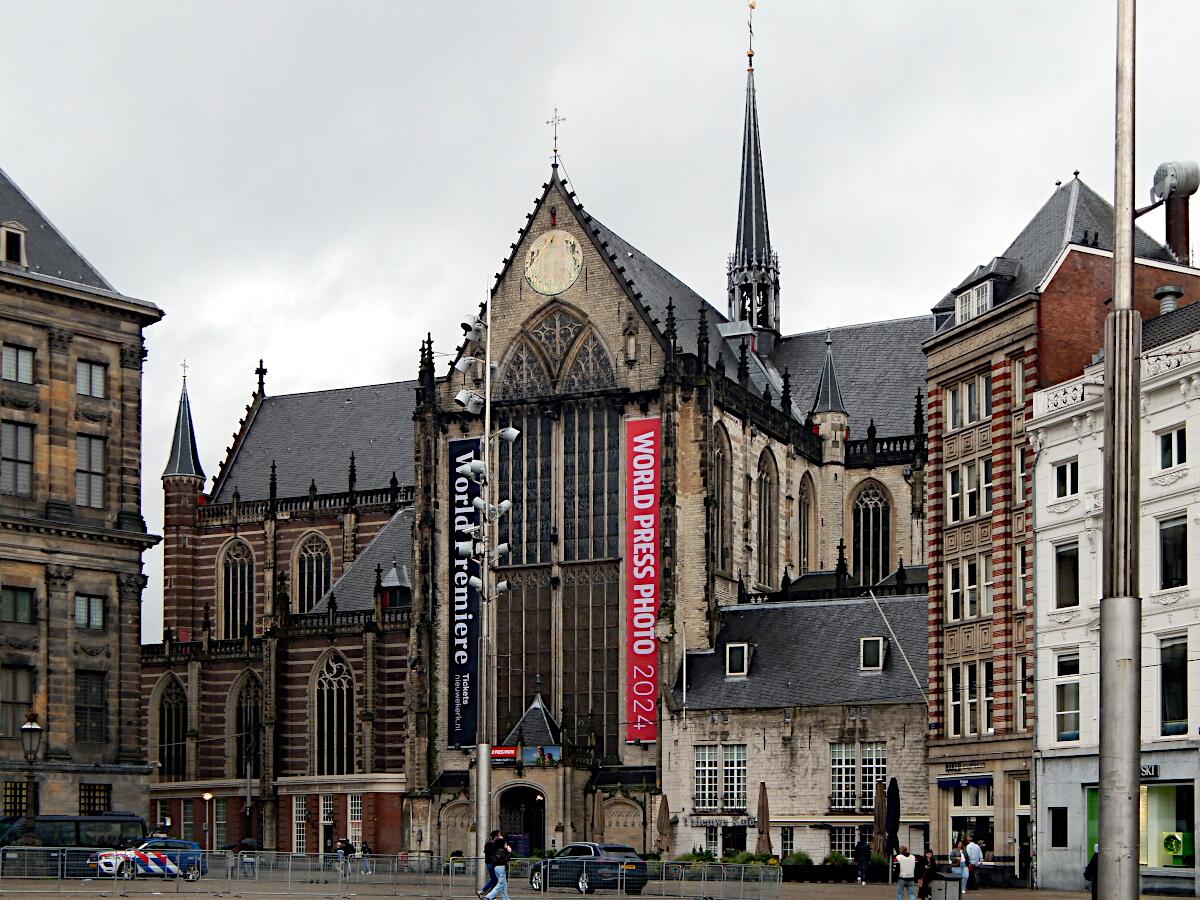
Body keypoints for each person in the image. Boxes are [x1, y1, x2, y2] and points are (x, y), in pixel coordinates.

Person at [477, 829, 504, 900]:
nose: (500, 836)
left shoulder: (488, 844)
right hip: (493, 864)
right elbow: (500, 851)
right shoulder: (494, 844)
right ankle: (485, 893)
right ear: (496, 837)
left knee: (494, 879)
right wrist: (502, 840)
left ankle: (488, 894)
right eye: (499, 835)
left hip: (489, 864)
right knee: (494, 879)